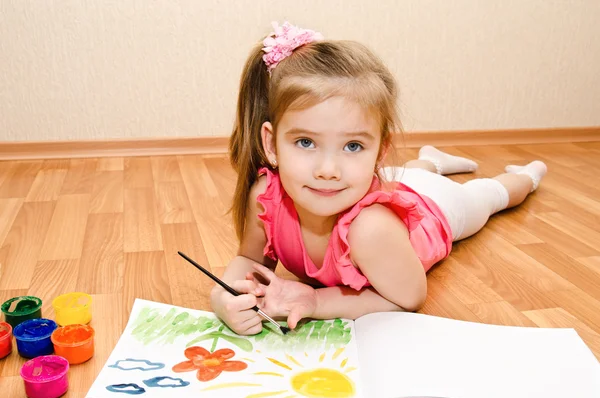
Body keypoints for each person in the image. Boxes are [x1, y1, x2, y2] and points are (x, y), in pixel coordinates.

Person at [210, 22, 548, 335]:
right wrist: (223, 297)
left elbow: (407, 298)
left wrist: (317, 302)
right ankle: (428, 161)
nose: (328, 169)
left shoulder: (371, 229)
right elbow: (249, 261)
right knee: (409, 174)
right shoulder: (267, 195)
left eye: (353, 145)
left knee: (485, 196)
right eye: (306, 142)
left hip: (437, 208)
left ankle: (525, 176)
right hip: (384, 180)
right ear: (271, 144)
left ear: (380, 150)